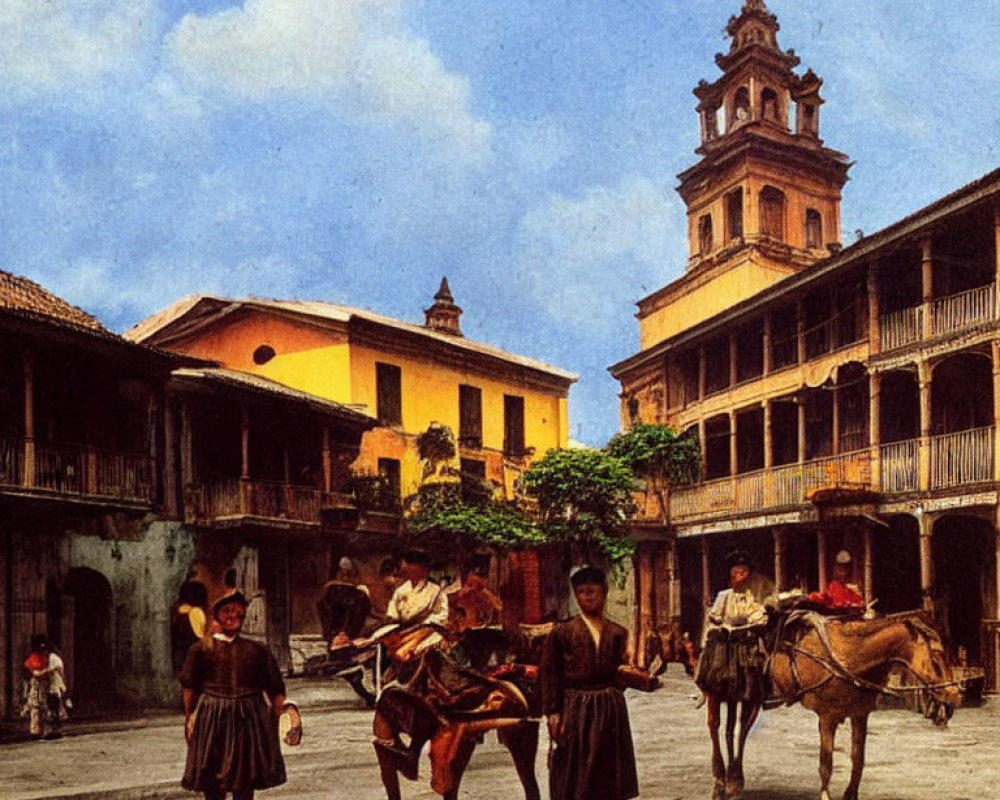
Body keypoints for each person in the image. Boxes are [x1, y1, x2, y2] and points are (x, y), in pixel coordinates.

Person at [541, 566, 639, 800]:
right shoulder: (562, 632)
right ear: (576, 596)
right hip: (576, 706)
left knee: (608, 766)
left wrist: (630, 673)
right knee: (575, 767)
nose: (588, 596)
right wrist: (553, 711)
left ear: (604, 593)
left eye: (593, 591)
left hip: (609, 707)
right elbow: (549, 673)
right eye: (582, 592)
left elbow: (620, 673)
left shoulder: (618, 632)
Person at [180, 591, 286, 800]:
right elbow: (189, 687)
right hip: (213, 719)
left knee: (245, 780)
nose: (233, 616)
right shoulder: (200, 650)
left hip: (248, 720)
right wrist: (190, 716)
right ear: (216, 616)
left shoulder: (257, 650)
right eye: (227, 611)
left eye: (238, 612)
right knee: (212, 778)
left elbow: (275, 689)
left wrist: (280, 718)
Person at [695, 549, 769, 705]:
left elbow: (757, 614)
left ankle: (755, 690)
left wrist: (752, 622)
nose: (743, 576)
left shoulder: (750, 597)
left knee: (755, 660)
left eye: (745, 572)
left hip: (745, 639)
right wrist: (722, 625)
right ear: (732, 575)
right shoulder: (724, 595)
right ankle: (705, 689)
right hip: (725, 640)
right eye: (738, 573)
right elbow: (714, 617)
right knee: (712, 663)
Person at [316, 556, 376, 706]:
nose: (346, 576)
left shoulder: (330, 595)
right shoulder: (356, 595)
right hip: (346, 639)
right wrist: (343, 634)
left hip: (339, 638)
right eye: (345, 573)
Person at [384, 549, 449, 662]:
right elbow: (393, 613)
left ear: (423, 569)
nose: (408, 568)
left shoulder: (435, 591)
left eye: (413, 566)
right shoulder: (401, 590)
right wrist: (393, 623)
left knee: (407, 653)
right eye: (408, 565)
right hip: (402, 630)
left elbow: (442, 615)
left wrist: (424, 628)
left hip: (426, 631)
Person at [22, 634, 69, 740]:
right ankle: (36, 731)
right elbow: (36, 673)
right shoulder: (34, 658)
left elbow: (57, 669)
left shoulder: (48, 657)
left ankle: (48, 730)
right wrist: (49, 670)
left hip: (46, 686)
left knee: (48, 707)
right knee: (36, 708)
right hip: (37, 686)